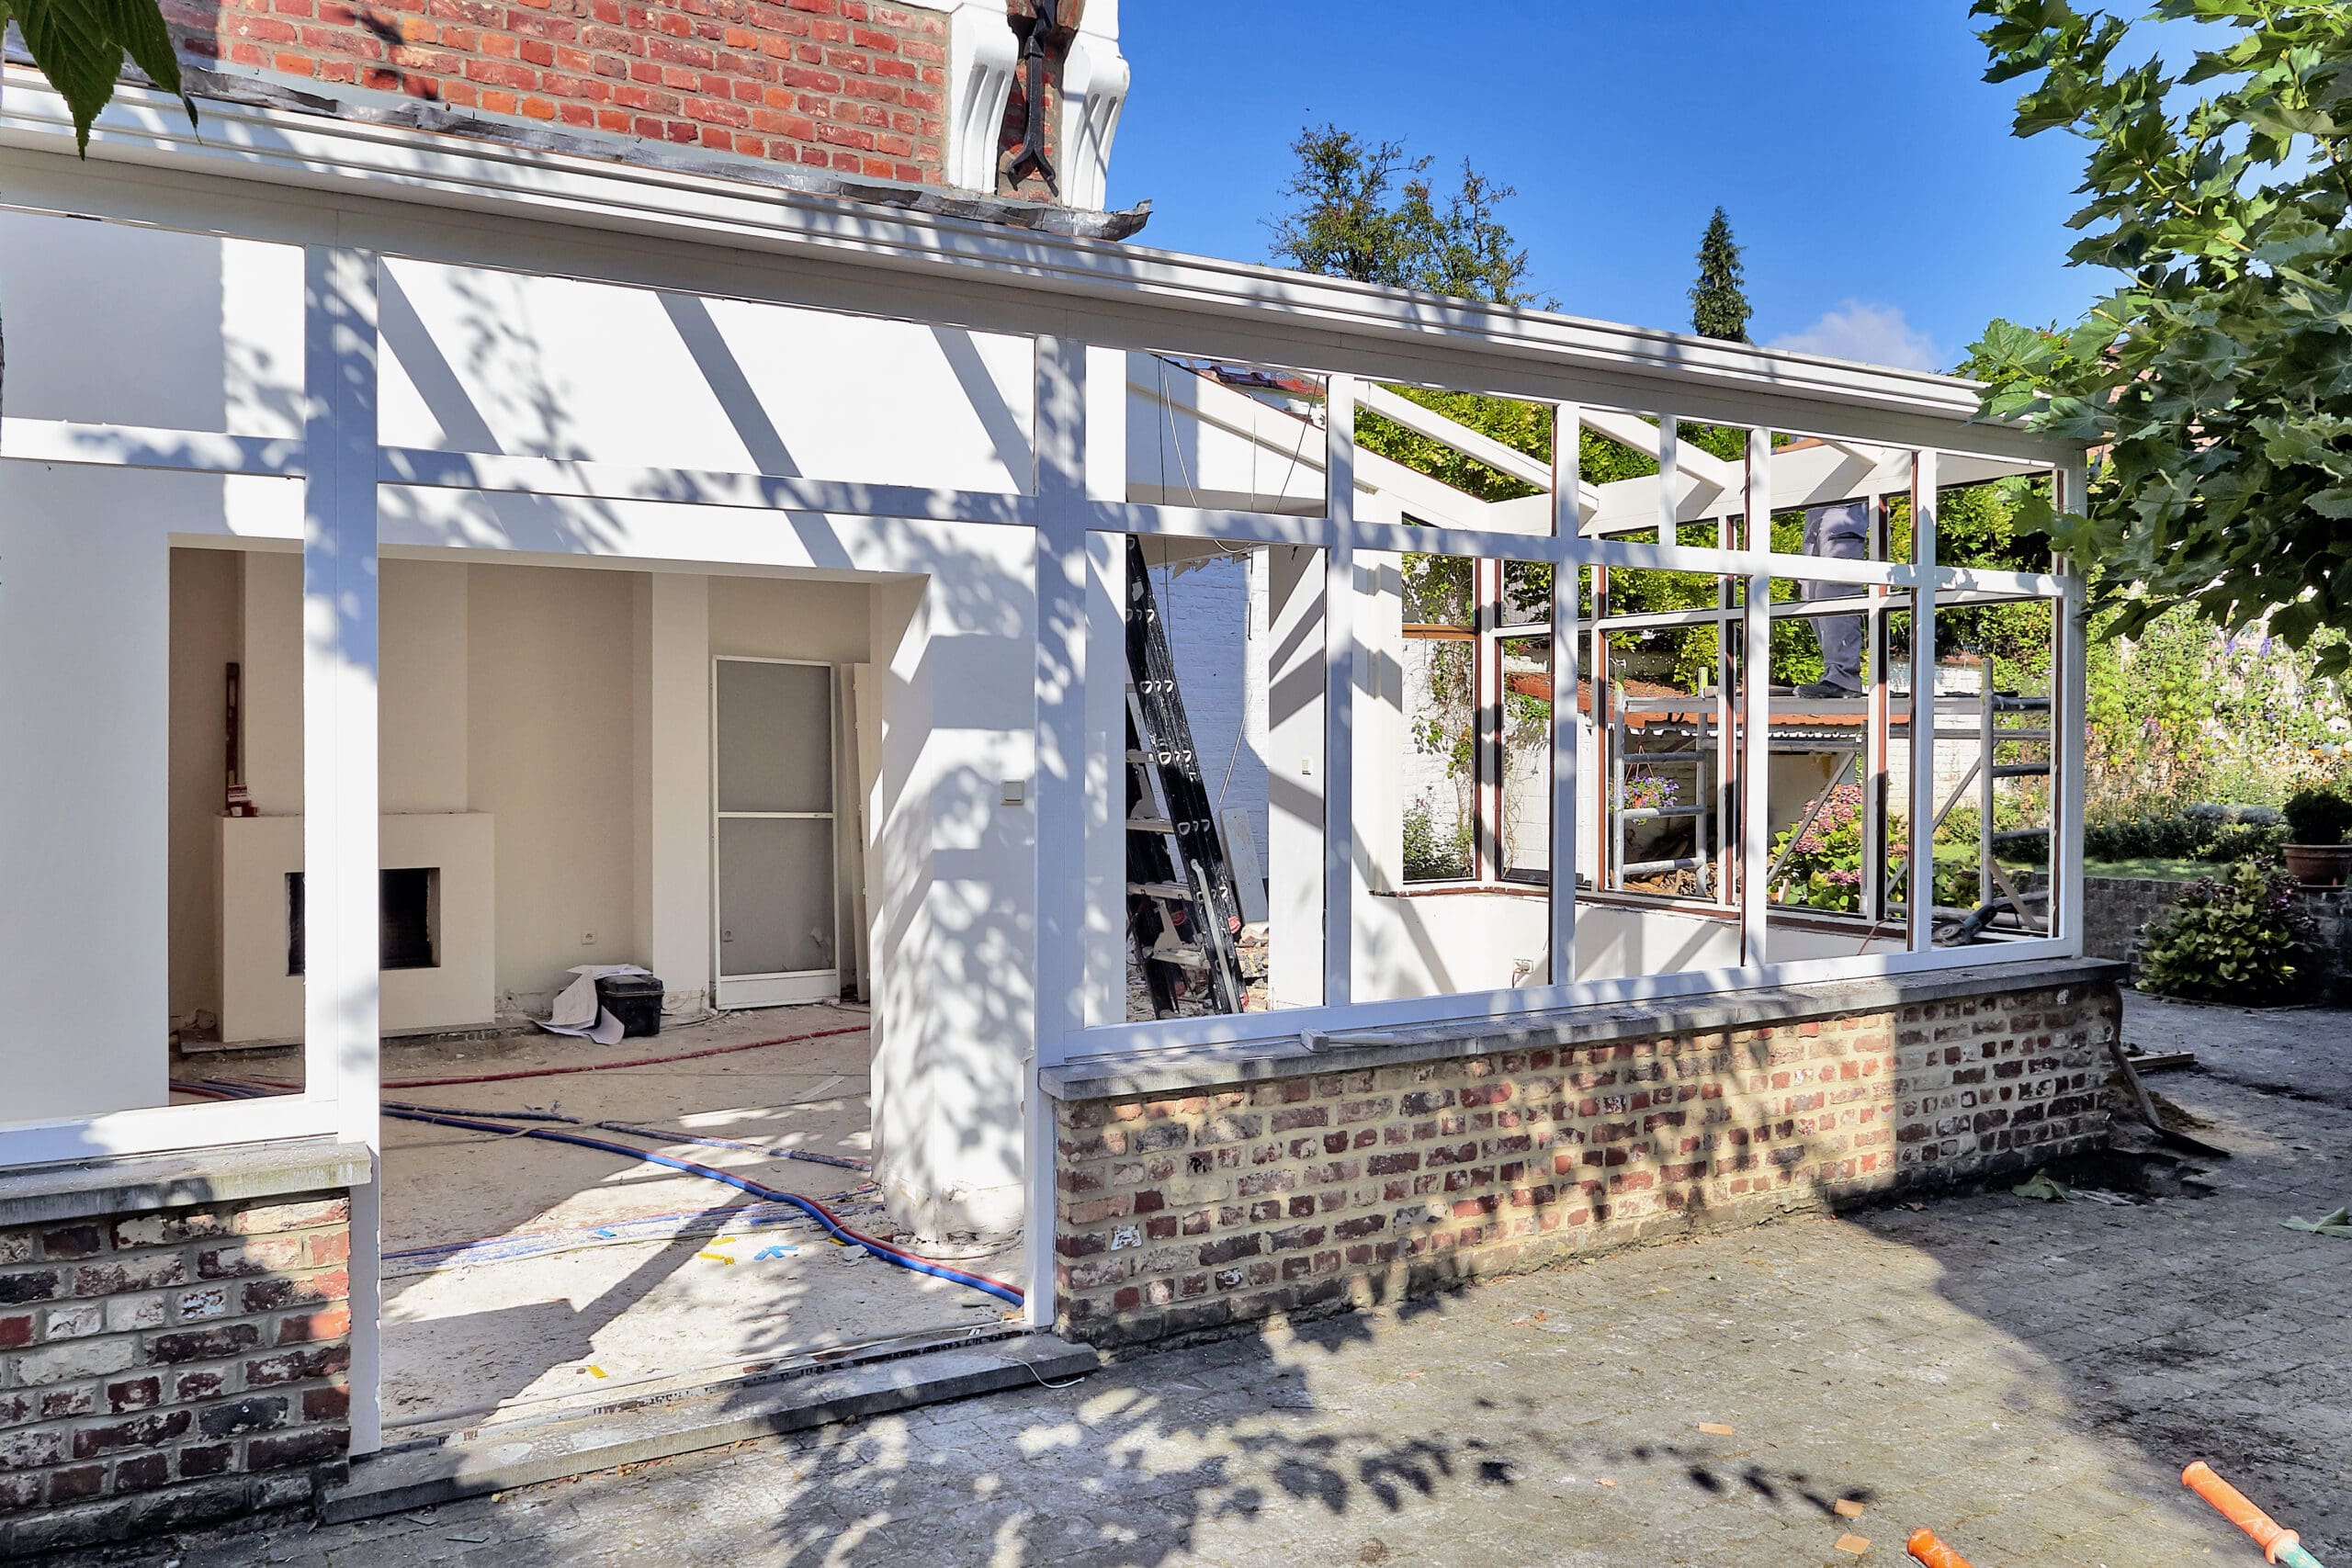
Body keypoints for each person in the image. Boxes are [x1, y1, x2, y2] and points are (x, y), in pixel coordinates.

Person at [1796, 499, 1869, 700]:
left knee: (1835, 587)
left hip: (1846, 503)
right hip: (1818, 502)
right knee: (1809, 591)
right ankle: (1836, 673)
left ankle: (1844, 676)